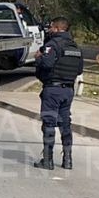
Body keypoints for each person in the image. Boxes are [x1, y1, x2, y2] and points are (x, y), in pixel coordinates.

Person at [32, 17, 84, 170]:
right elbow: (79, 70)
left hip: (53, 89)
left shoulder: (52, 45)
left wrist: (38, 58)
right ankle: (67, 160)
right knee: (65, 123)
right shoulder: (75, 47)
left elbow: (47, 64)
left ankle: (47, 160)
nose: (49, 30)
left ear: (56, 28)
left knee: (48, 123)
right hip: (68, 90)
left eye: (51, 27)